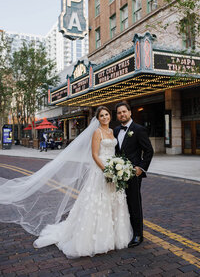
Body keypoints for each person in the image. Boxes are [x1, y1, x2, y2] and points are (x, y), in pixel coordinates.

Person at [32, 106, 132, 258]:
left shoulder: (112, 132)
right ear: (98, 119)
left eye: (106, 114)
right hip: (101, 171)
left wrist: (117, 168)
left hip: (113, 169)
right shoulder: (96, 132)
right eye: (101, 115)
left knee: (113, 201)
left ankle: (114, 236)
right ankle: (96, 239)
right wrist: (106, 170)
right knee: (98, 202)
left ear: (110, 116)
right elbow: (94, 154)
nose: (104, 117)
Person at [114, 102, 154, 247]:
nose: (122, 114)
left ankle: (138, 234)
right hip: (118, 174)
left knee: (134, 203)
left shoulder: (139, 129)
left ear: (130, 113)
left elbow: (149, 151)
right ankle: (126, 230)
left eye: (124, 111)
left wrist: (141, 168)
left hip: (133, 174)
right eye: (119, 112)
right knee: (121, 203)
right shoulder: (116, 130)